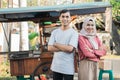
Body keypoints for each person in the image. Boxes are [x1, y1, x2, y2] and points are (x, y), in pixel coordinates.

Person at [48, 10, 78, 80]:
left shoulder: (74, 33)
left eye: (67, 17)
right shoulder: (55, 32)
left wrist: (56, 44)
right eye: (63, 16)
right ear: (59, 18)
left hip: (68, 67)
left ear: (70, 18)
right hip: (56, 67)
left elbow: (70, 49)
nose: (65, 19)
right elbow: (49, 48)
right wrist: (65, 47)